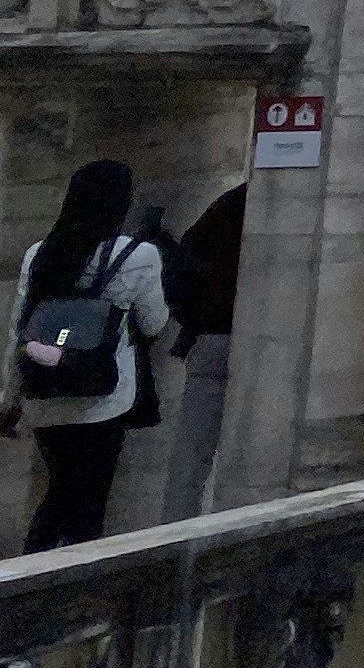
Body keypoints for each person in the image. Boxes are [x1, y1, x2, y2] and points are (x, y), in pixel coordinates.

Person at [12, 158, 173, 551]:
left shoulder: (40, 254)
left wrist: (9, 396)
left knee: (62, 489)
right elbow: (154, 323)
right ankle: (52, 576)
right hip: (103, 396)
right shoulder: (138, 254)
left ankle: (35, 570)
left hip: (45, 394)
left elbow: (18, 329)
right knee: (85, 503)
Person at [160, 182, 240, 523]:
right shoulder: (242, 204)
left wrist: (194, 319)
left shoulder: (226, 205)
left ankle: (172, 537)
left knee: (191, 456)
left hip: (209, 337)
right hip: (240, 337)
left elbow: (179, 272)